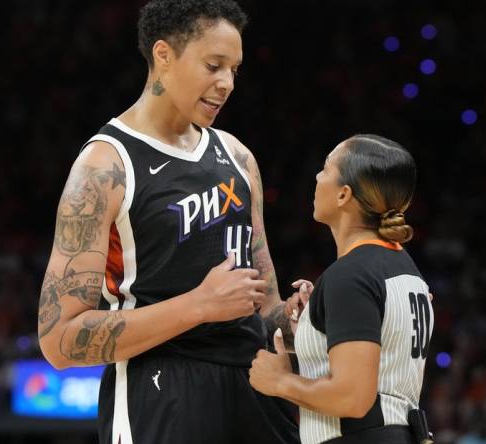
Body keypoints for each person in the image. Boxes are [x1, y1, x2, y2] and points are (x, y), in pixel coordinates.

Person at [36, 1, 301, 443]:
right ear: (163, 56)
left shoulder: (238, 158)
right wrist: (199, 305)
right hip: (159, 390)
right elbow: (59, 339)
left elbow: (265, 308)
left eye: (235, 70)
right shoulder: (105, 166)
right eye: (214, 66)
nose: (227, 84)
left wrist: (303, 323)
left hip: (254, 384)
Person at [249, 135, 434, 444]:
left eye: (325, 168)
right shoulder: (407, 269)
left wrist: (281, 382)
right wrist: (313, 330)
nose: (318, 177)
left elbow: (352, 398)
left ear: (343, 195)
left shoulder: (351, 275)